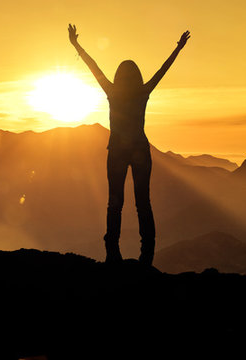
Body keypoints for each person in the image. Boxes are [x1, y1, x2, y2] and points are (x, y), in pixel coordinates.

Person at [68, 24, 190, 266]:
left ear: (118, 76)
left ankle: (112, 255)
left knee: (115, 204)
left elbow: (93, 67)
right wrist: (178, 48)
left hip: (116, 152)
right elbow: (162, 70)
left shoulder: (112, 91)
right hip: (140, 151)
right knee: (143, 203)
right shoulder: (142, 92)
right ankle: (146, 257)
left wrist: (76, 45)